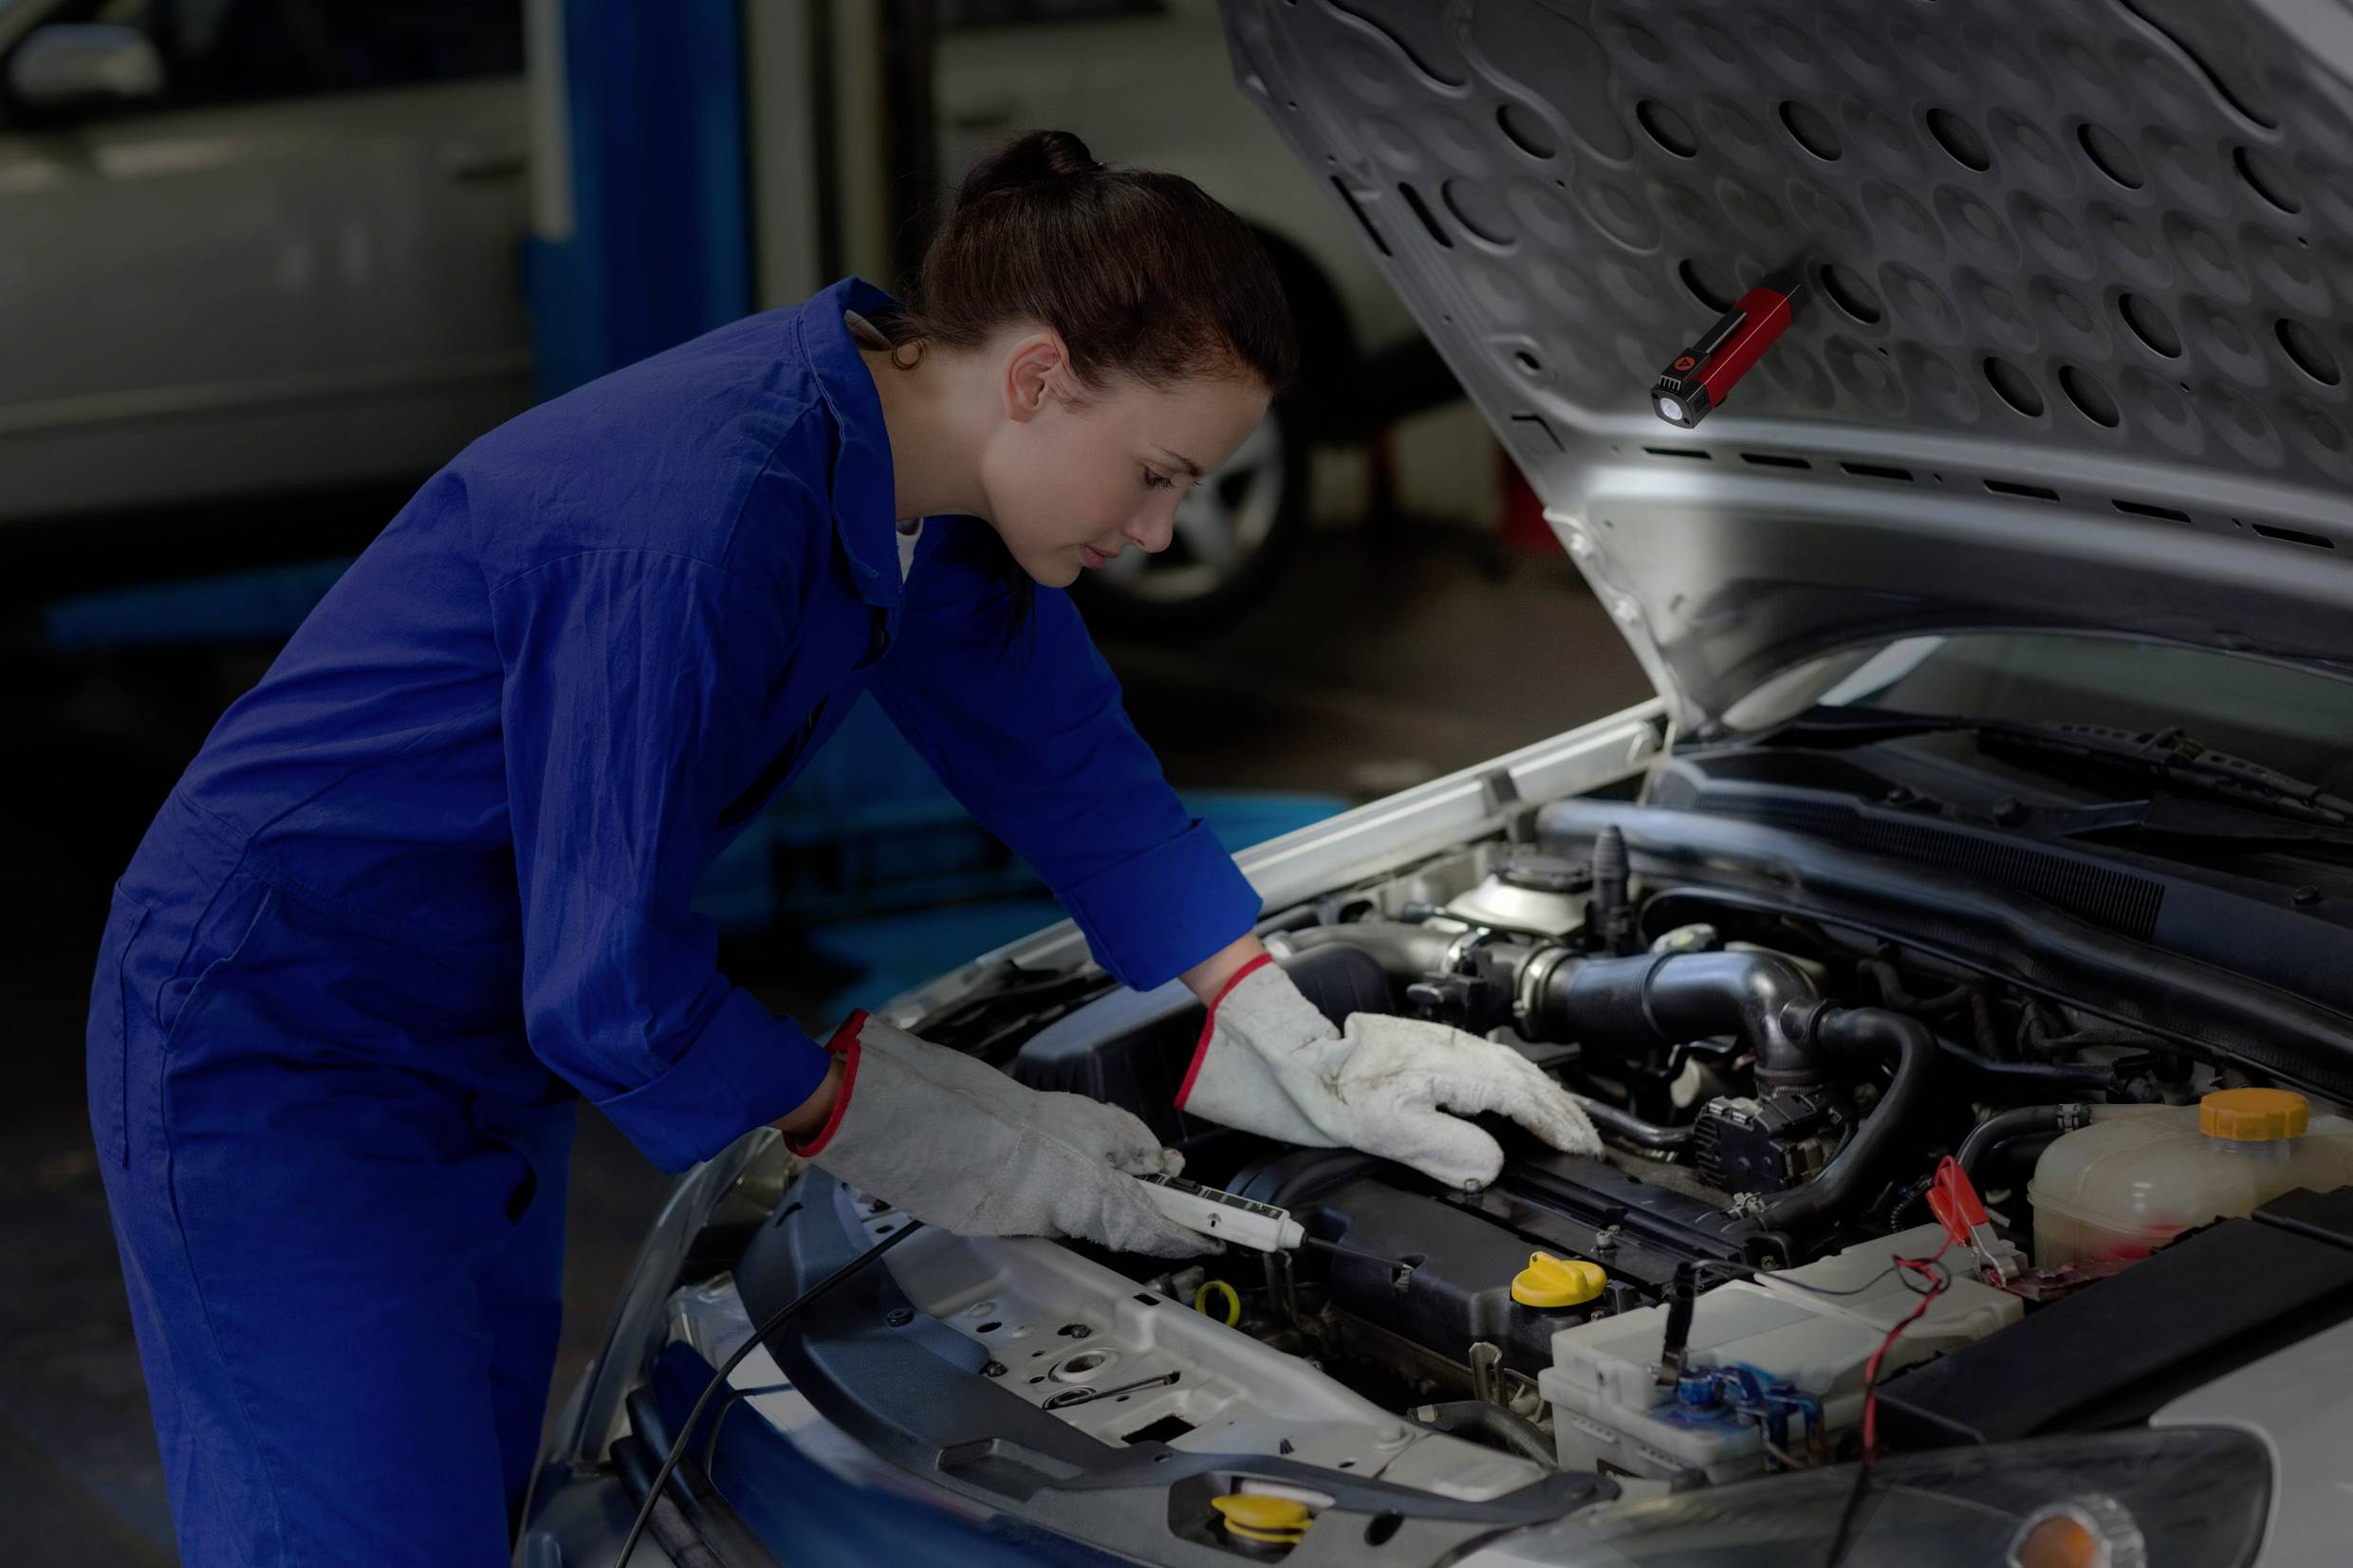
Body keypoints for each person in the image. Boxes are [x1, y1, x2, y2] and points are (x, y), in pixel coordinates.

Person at [85, 130, 1599, 1567]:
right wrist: (896, 1118)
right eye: (1156, 474)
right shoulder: (706, 509)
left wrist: (1275, 1017)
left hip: (469, 1044)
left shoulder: (909, 485)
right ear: (1038, 378)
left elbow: (1069, 760)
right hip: (282, 1039)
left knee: (465, 1511)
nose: (1158, 531)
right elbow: (608, 986)